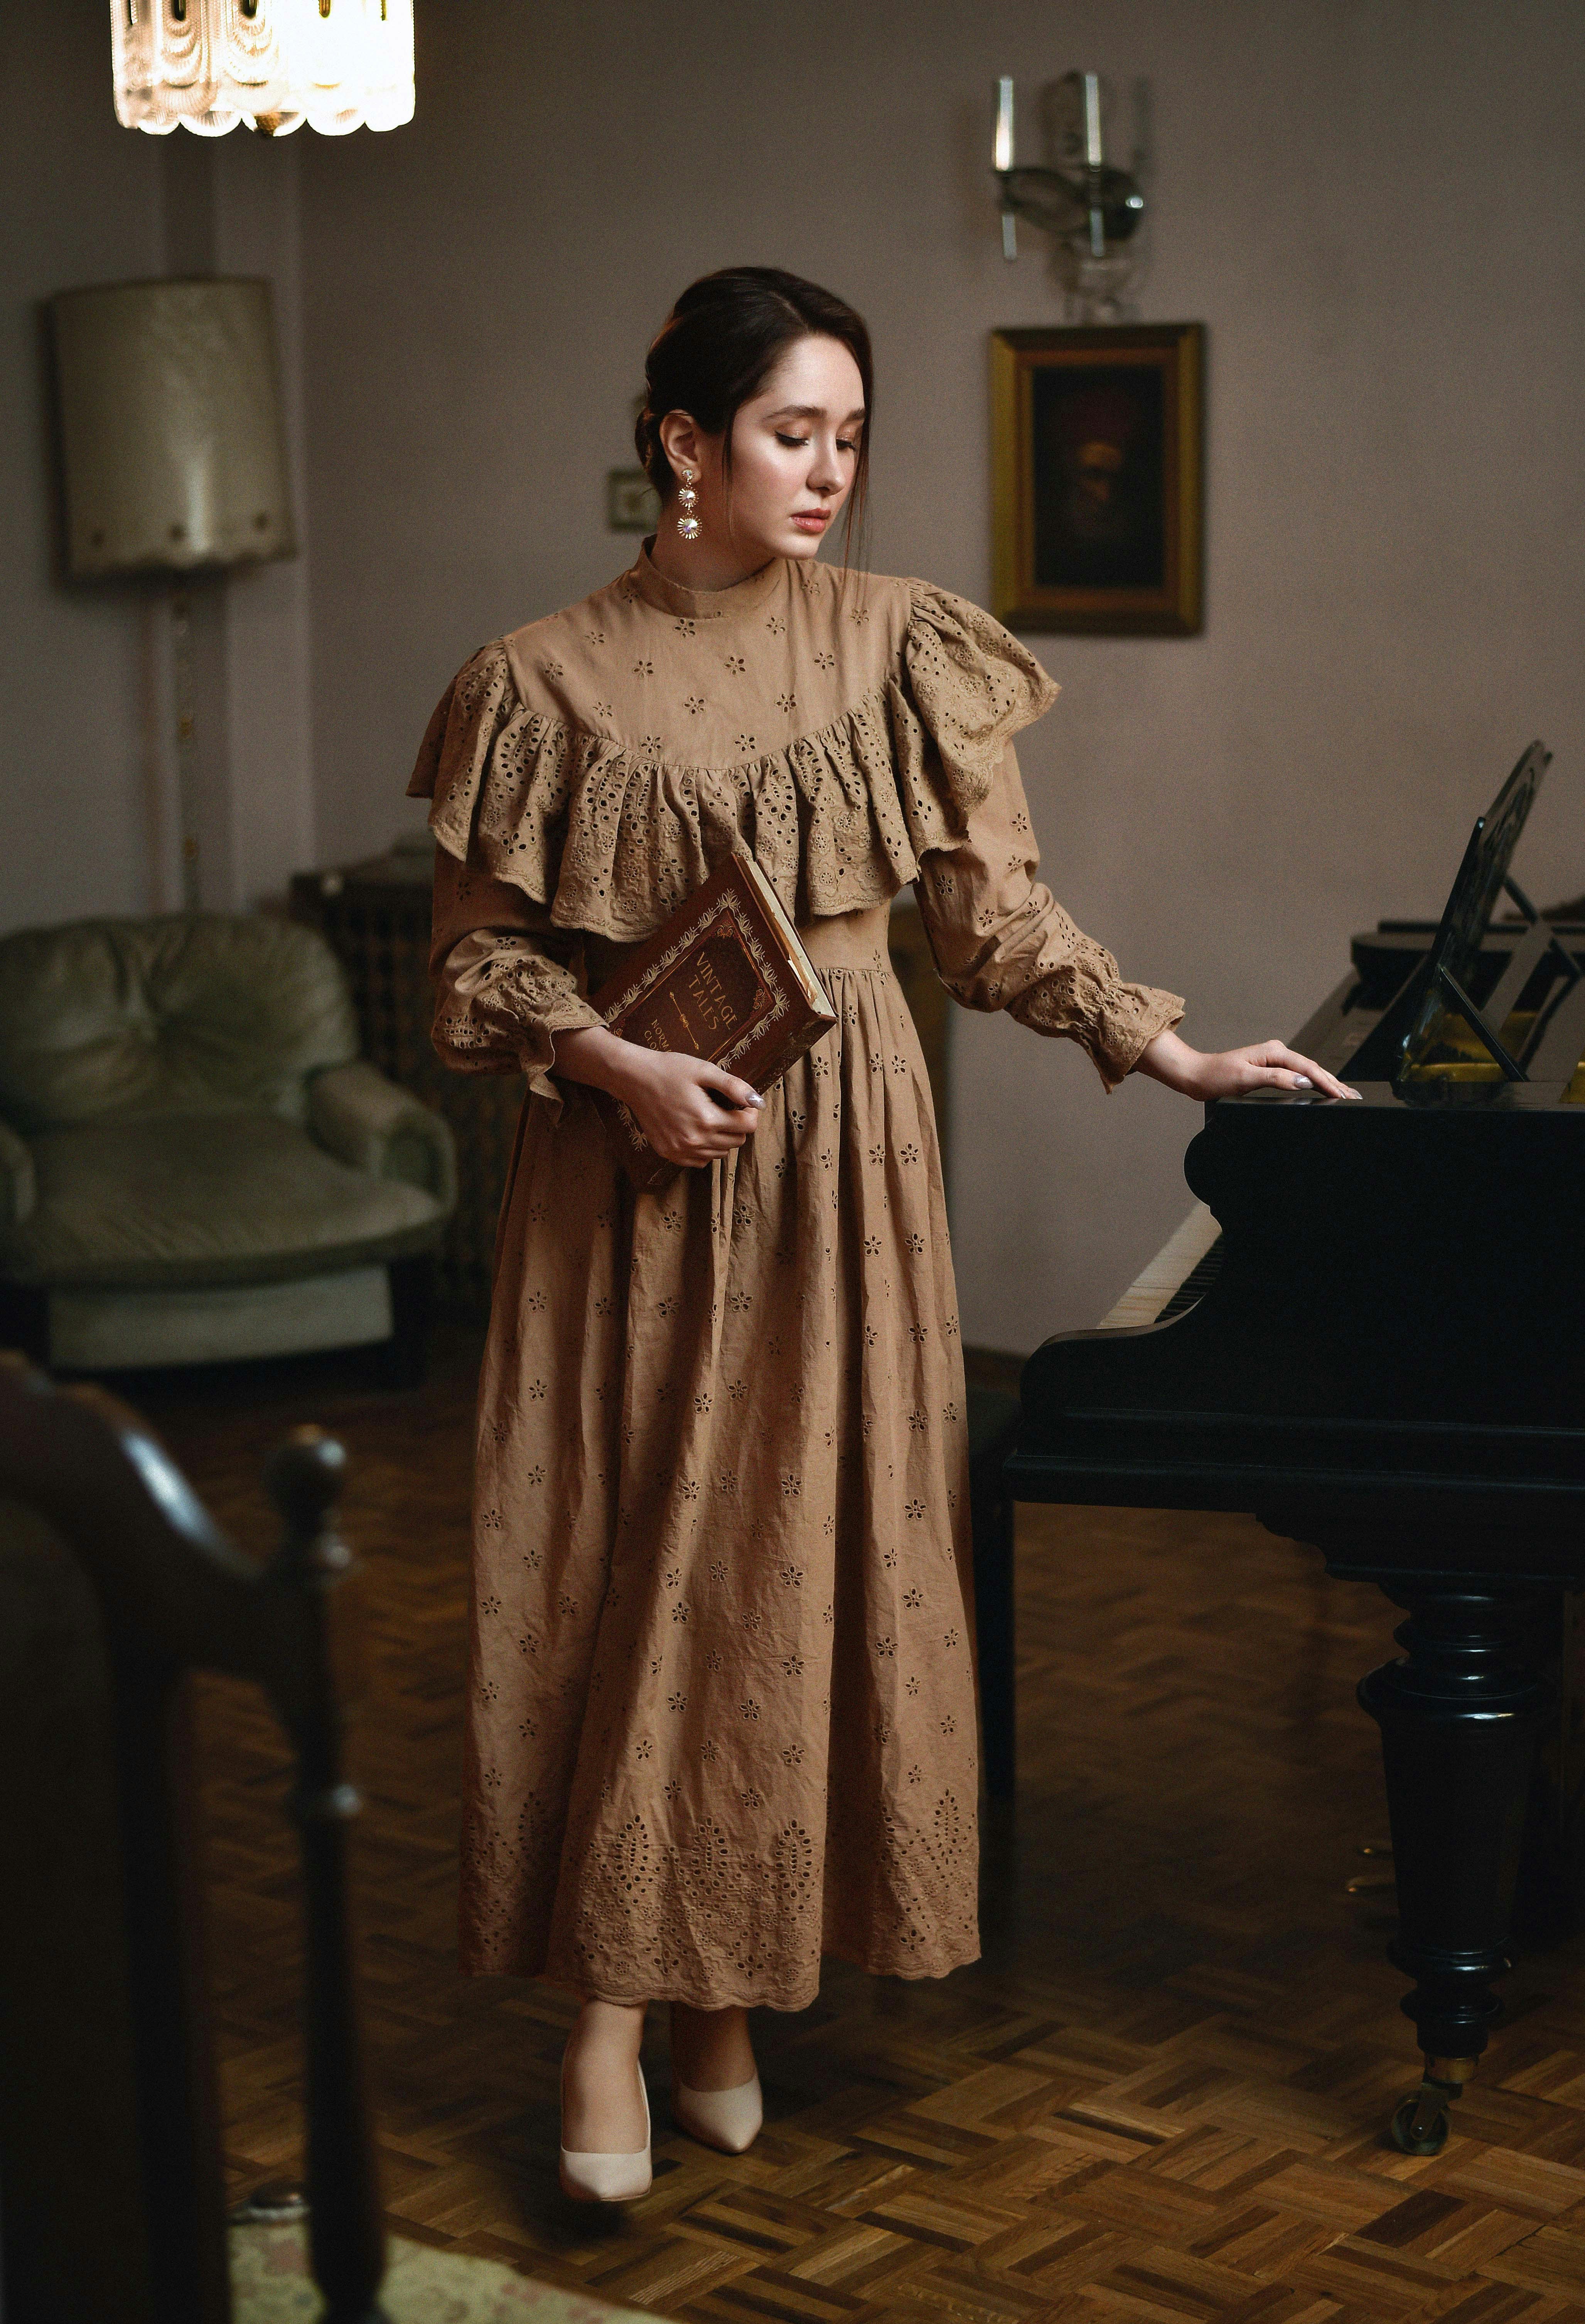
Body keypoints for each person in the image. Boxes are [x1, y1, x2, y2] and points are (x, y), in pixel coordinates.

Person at [410, 266, 1355, 2204]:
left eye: (850, 433)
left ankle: (718, 1996)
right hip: (633, 1174)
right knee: (624, 1565)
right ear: (683, 440)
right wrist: (610, 1064)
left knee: (780, 1574)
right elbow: (473, 968)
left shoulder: (909, 645)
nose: (829, 469)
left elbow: (991, 922)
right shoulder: (537, 678)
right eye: (789, 431)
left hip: (843, 1170)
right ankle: (611, 2006)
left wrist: (1173, 1053)